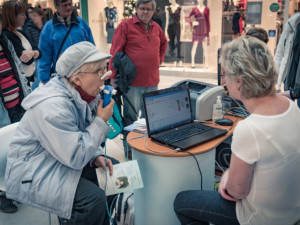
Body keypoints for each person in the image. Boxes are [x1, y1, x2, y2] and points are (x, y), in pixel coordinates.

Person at [174, 36, 300, 225]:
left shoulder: (250, 128)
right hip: (290, 211)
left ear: (239, 81)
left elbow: (235, 192)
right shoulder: (291, 107)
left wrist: (226, 176)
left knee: (181, 202)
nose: (223, 81)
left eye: (225, 75)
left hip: (259, 218)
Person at [5, 41, 117, 225]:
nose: (105, 76)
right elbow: (75, 156)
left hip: (58, 156)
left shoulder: (81, 94)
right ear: (76, 78)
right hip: (35, 170)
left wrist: (95, 155)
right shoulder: (53, 107)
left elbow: (77, 135)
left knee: (113, 171)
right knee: (93, 199)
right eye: (98, 72)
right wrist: (100, 120)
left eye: (105, 69)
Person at [108, 0, 167, 123]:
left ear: (153, 11)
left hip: (152, 82)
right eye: (142, 8)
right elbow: (115, 52)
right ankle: (129, 143)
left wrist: (159, 59)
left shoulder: (156, 27)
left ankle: (146, 143)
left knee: (151, 119)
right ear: (137, 9)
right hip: (132, 84)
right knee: (131, 120)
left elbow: (164, 42)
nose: (145, 12)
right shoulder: (125, 26)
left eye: (148, 9)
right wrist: (112, 77)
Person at [0, 10, 31, 214]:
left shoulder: (5, 40)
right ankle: (3, 193)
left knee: (17, 147)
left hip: (17, 104)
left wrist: (28, 97)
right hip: (2, 110)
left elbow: (18, 69)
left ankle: (16, 187)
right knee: (1, 151)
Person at [38, 0, 95, 84]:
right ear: (57, 7)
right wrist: (45, 80)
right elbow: (44, 56)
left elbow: (91, 48)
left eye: (70, 4)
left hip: (83, 73)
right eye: (64, 5)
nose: (68, 8)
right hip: (62, 76)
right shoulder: (49, 28)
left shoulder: (81, 24)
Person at [2, 0, 42, 87]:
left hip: (27, 79)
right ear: (13, 17)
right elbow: (26, 60)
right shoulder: (7, 36)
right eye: (22, 14)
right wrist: (34, 53)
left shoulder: (21, 32)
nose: (25, 17)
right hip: (19, 82)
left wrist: (32, 53)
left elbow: (39, 51)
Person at [23, 7, 45, 90]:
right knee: (39, 77)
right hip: (36, 56)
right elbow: (30, 44)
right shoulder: (28, 28)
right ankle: (32, 91)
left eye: (35, 15)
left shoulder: (46, 26)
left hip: (47, 55)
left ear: (40, 16)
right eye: (32, 16)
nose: (33, 18)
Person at [185, 0, 210, 68]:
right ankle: (192, 63)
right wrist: (192, 23)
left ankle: (206, 63)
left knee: (205, 47)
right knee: (194, 46)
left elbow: (207, 21)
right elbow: (187, 17)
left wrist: (208, 32)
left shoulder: (207, 9)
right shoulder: (195, 8)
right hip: (197, 30)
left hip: (204, 30)